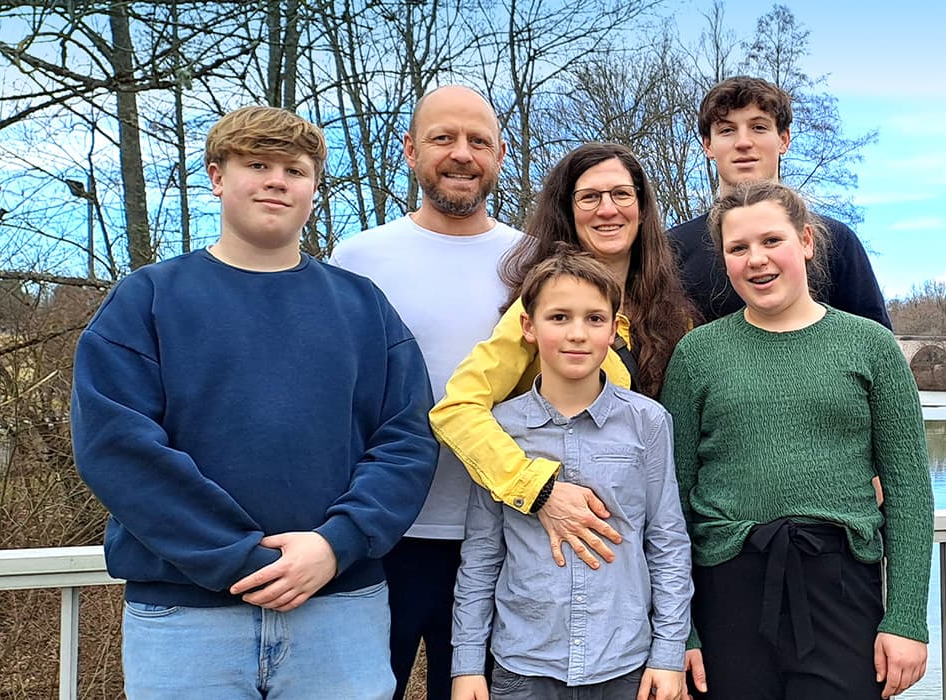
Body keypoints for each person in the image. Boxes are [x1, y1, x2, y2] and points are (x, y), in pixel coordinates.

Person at [71, 105, 438, 699]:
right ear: (217, 176)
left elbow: (408, 439)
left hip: (339, 612)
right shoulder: (147, 300)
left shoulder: (363, 307)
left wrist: (336, 543)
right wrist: (238, 558)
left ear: (314, 188)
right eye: (256, 164)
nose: (276, 180)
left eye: (294, 170)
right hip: (185, 621)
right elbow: (117, 448)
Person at [661, 180, 934, 700]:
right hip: (726, 591)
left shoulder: (871, 346)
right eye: (738, 248)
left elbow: (909, 492)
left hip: (840, 589)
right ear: (724, 261)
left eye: (771, 241)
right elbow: (670, 501)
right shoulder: (698, 355)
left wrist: (905, 618)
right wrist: (681, 629)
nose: (756, 260)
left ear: (806, 241)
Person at [331, 84, 523, 700]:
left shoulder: (532, 259)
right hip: (379, 535)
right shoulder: (360, 258)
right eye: (443, 138)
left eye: (479, 142)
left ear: (499, 156)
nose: (461, 154)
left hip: (499, 539)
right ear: (412, 150)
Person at [430, 142, 696, 569]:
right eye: (589, 197)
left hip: (657, 550)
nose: (607, 209)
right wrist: (538, 489)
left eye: (621, 195)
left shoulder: (676, 317)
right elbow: (457, 409)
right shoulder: (537, 314)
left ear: (642, 209)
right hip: (560, 554)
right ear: (568, 211)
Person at [451, 248, 692, 700]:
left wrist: (668, 652)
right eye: (559, 317)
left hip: (623, 663)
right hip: (524, 664)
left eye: (594, 319)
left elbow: (667, 543)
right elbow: (483, 554)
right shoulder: (501, 429)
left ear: (615, 328)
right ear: (528, 326)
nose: (577, 334)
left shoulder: (649, 423)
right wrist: (467, 664)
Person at [669, 76, 891, 329]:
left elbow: (874, 349)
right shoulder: (672, 250)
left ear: (784, 139)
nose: (743, 143)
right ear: (708, 145)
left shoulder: (836, 242)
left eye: (759, 127)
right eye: (727, 130)